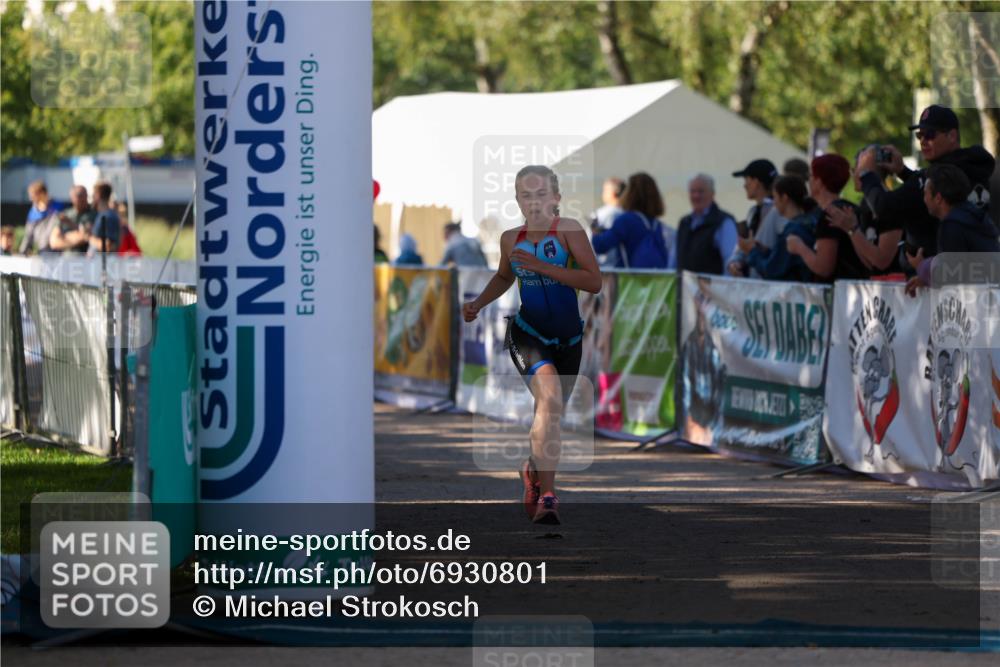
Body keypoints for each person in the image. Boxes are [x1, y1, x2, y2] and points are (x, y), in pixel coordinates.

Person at [462, 165, 601, 525]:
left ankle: (532, 470)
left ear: (556, 198)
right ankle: (549, 498)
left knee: (551, 414)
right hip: (528, 333)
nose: (534, 202)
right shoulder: (511, 238)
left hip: (568, 339)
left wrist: (542, 266)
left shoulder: (569, 231)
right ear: (518, 200)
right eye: (527, 195)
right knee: (551, 398)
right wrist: (478, 303)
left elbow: (593, 281)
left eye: (542, 194)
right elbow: (504, 276)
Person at [857, 105, 995, 261]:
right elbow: (926, 188)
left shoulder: (938, 175)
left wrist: (866, 173)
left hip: (938, 275)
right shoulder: (971, 168)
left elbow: (884, 207)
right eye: (919, 135)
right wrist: (903, 171)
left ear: (952, 136)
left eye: (930, 134)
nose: (923, 141)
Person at [906, 164, 1000, 296]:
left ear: (938, 198)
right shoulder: (975, 215)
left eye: (925, 194)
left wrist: (921, 267)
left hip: (979, 307)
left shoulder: (952, 224)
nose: (924, 199)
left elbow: (949, 276)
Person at [824, 146, 904, 278]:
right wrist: (851, 230)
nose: (853, 174)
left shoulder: (889, 204)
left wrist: (853, 230)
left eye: (856, 170)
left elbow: (882, 262)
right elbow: (870, 263)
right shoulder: (866, 205)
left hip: (899, 289)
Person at [787, 154, 869, 282]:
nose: (809, 181)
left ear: (819, 182)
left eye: (811, 176)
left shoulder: (830, 214)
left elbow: (824, 267)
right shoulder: (850, 208)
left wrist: (799, 247)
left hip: (840, 294)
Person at [590, 172, 671, 269]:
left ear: (631, 194)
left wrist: (594, 231)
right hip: (655, 280)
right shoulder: (656, 224)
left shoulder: (626, 220)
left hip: (631, 281)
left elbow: (600, 246)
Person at [746, 176, 818, 282]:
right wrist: (766, 252)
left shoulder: (794, 230)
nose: (774, 203)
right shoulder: (810, 222)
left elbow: (771, 269)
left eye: (774, 197)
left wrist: (752, 251)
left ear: (784, 198)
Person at [669, 174, 737, 274]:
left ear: (712, 194)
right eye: (692, 191)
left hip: (710, 289)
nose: (696, 196)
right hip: (684, 288)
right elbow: (673, 262)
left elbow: (730, 263)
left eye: (701, 191)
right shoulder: (684, 223)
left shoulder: (724, 222)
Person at [727, 159, 784, 277]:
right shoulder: (753, 212)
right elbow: (744, 246)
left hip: (770, 286)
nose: (744, 185)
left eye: (746, 179)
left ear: (756, 182)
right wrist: (735, 262)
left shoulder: (779, 212)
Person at [19, 180, 64, 255]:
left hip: (57, 251)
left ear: (42, 194)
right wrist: (23, 251)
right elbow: (28, 234)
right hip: (42, 251)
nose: (31, 198)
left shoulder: (57, 207)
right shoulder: (33, 212)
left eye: (33, 195)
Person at [590, 177, 625, 267]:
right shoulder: (629, 215)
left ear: (612, 193)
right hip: (622, 268)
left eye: (605, 190)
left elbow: (589, 242)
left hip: (602, 266)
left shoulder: (599, 215)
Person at [49, 185, 94, 253]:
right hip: (67, 259)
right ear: (72, 198)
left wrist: (65, 237)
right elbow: (54, 242)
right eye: (78, 196)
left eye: (84, 195)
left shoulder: (93, 214)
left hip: (85, 258)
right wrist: (73, 240)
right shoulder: (65, 215)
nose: (82, 199)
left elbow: (87, 235)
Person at [88, 181, 120, 254]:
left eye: (93, 194)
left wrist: (89, 238)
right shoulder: (102, 215)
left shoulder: (108, 217)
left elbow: (108, 246)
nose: (91, 197)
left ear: (98, 195)